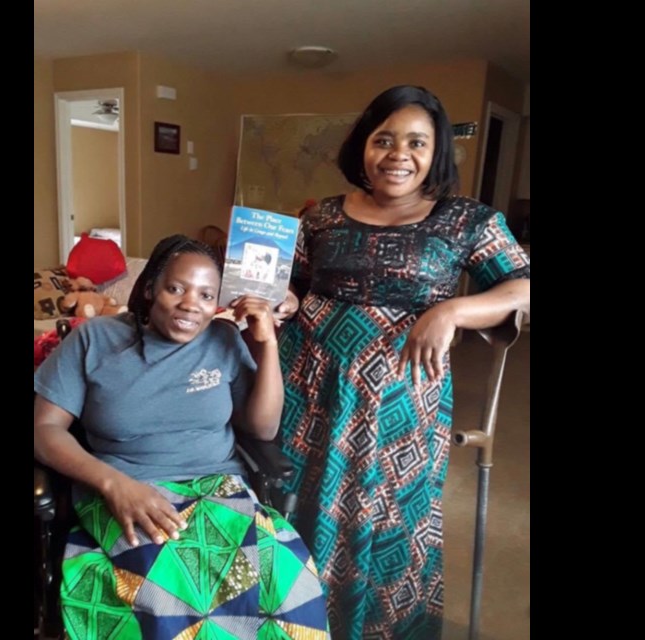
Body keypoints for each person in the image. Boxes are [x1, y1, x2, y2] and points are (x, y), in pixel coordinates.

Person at [274, 85, 531, 639]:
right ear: (363, 147)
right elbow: (289, 288)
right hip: (310, 390)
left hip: (402, 406)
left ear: (436, 153)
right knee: (298, 506)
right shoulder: (318, 217)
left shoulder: (468, 221)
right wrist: (284, 301)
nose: (398, 154)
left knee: (388, 518)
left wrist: (454, 310)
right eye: (384, 139)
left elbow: (523, 286)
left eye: (417, 142)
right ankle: (294, 625)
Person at [34, 235, 330, 640]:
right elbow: (44, 430)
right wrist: (113, 483)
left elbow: (263, 429)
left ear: (218, 304)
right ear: (152, 285)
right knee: (170, 589)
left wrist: (267, 345)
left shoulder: (223, 341)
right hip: (127, 490)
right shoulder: (95, 339)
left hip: (220, 490)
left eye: (207, 295)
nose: (191, 304)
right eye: (176, 288)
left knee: (288, 576)